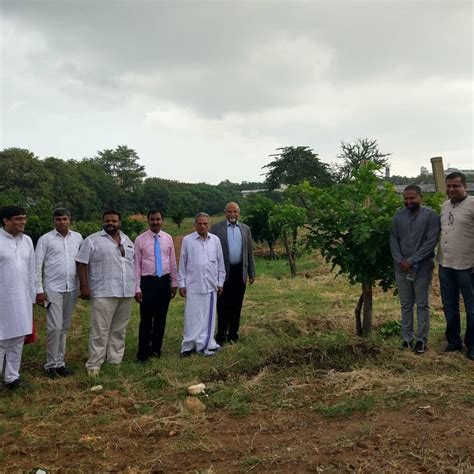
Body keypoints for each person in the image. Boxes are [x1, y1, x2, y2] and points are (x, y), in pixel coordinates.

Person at [76, 210, 135, 376]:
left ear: (119, 223)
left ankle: (115, 360)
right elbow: (81, 264)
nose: (111, 223)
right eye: (107, 221)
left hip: (126, 291)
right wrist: (84, 287)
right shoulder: (92, 240)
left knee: (119, 329)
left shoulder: (127, 240)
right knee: (100, 330)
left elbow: (132, 263)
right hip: (103, 292)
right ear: (103, 222)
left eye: (114, 221)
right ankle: (94, 364)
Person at [390, 185, 440, 354]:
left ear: (421, 197)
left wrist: (411, 260)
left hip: (422, 267)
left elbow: (431, 242)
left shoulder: (431, 216)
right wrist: (400, 260)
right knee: (405, 304)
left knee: (422, 304)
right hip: (401, 268)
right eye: (406, 198)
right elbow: (393, 239)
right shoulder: (398, 216)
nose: (409, 201)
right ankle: (407, 338)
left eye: (412, 198)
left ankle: (421, 340)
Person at [35, 208, 83, 378]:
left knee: (64, 327)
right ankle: (50, 365)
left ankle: (60, 363)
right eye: (58, 219)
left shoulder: (77, 237)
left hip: (71, 287)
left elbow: (82, 262)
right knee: (54, 328)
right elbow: (37, 265)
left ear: (70, 220)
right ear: (53, 221)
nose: (61, 222)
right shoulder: (45, 239)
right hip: (52, 288)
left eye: (64, 219)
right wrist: (39, 290)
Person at [437, 171, 474, 359]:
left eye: (456, 186)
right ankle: (453, 342)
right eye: (449, 186)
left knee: (472, 307)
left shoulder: (472, 204)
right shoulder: (444, 206)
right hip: (446, 263)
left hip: (468, 265)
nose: (451, 189)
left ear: (465, 186)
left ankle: (473, 345)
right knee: (449, 305)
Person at [178, 212, 225, 357]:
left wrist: (220, 282)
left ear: (209, 224)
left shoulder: (215, 240)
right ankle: (188, 346)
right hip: (193, 285)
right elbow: (182, 263)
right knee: (192, 316)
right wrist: (181, 283)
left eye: (205, 223)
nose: (202, 226)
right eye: (199, 223)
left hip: (210, 286)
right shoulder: (188, 240)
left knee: (208, 318)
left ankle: (207, 343)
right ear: (195, 225)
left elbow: (220, 263)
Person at [134, 210, 177, 362]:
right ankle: (143, 353)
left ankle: (156, 349)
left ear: (162, 220)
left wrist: (174, 283)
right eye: (152, 219)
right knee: (146, 319)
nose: (155, 222)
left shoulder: (168, 238)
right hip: (148, 283)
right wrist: (137, 288)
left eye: (158, 219)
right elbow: (136, 265)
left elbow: (171, 261)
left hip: (164, 282)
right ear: (148, 220)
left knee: (160, 318)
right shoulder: (140, 240)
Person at [210, 202, 256, 345]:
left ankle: (233, 334)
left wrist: (252, 272)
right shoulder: (217, 228)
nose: (232, 214)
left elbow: (249, 252)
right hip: (223, 272)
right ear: (225, 213)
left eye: (235, 212)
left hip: (239, 272)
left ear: (239, 213)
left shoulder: (245, 229)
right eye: (229, 212)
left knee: (237, 304)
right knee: (223, 305)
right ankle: (221, 335)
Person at [0, 206, 35, 390]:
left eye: (24, 218)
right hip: (2, 298)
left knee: (18, 338)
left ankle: (12, 378)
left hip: (22, 298)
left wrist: (33, 295)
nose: (22, 222)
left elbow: (31, 270)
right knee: (1, 340)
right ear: (6, 221)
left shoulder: (27, 241)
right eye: (18, 219)